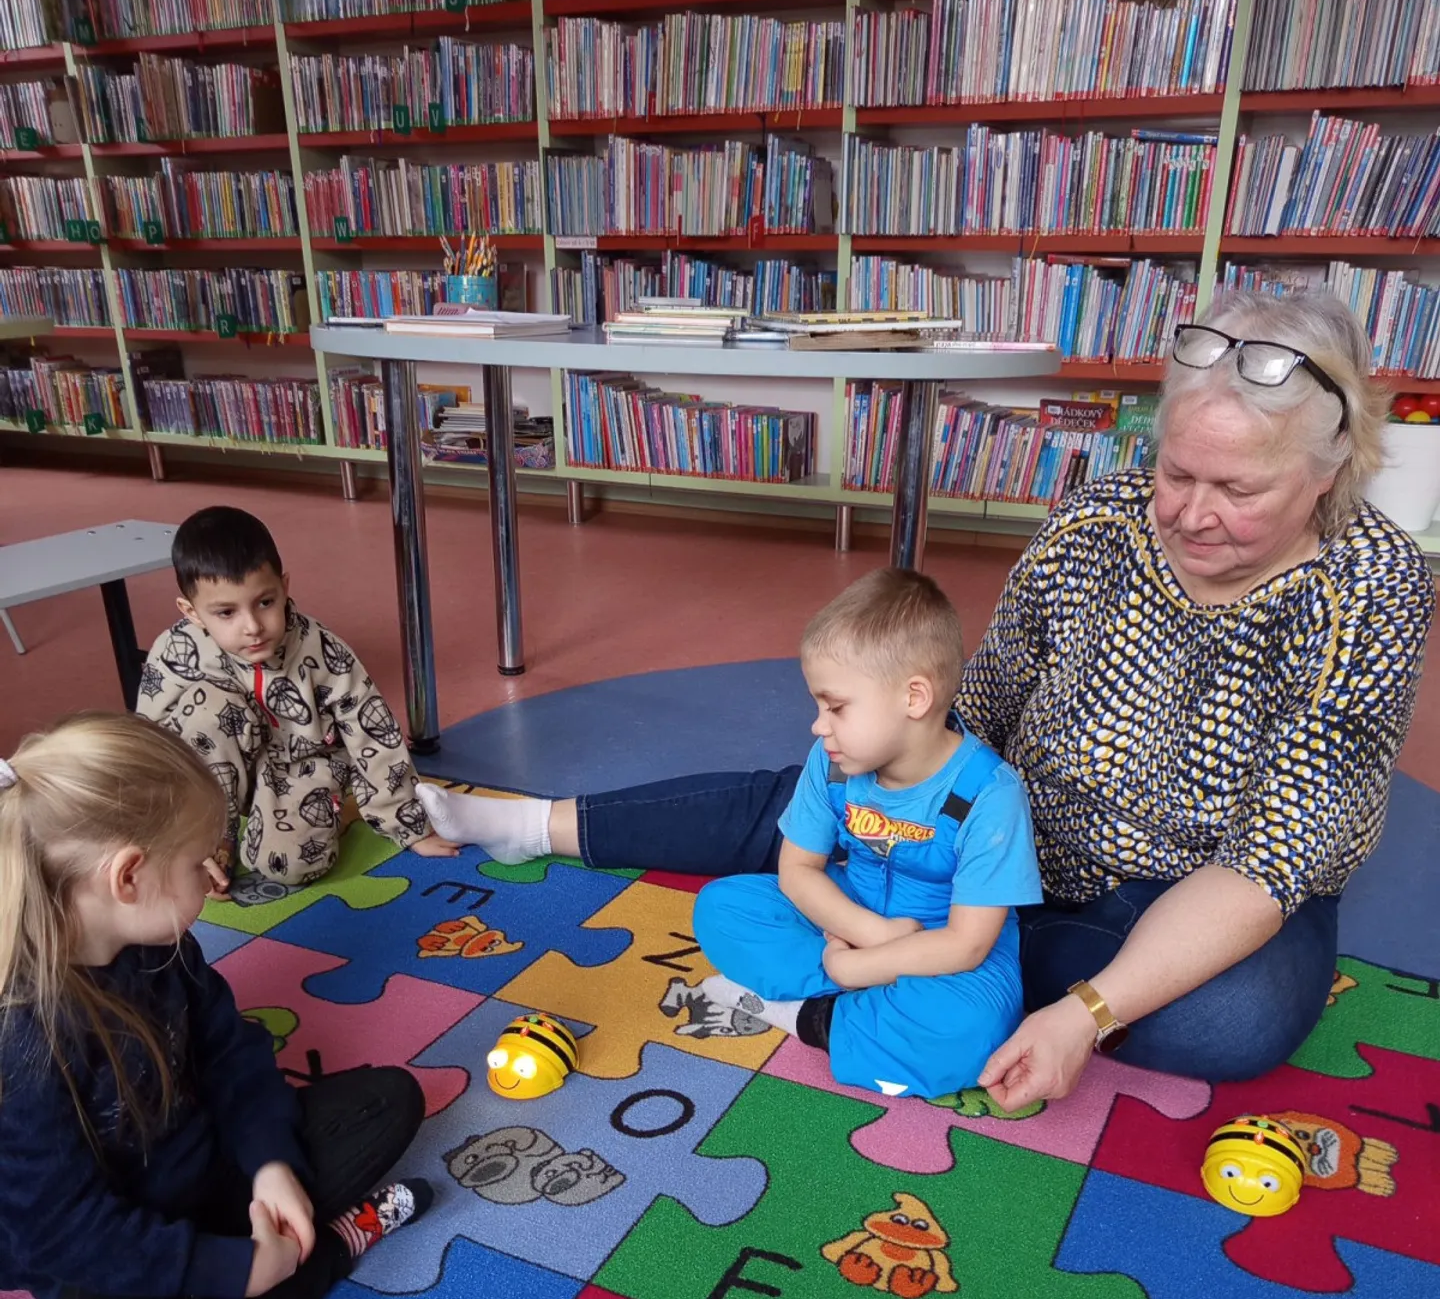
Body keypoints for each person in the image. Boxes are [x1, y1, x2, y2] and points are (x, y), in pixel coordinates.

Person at [422, 289, 1435, 1107]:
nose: (1192, 514)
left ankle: (899, 973)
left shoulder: (1374, 589)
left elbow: (1268, 865)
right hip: (995, 823)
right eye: (1177, 473)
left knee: (1236, 1020)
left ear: (1329, 470)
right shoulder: (1098, 521)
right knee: (821, 784)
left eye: (1239, 491)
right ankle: (532, 824)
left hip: (1180, 889)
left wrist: (1083, 1014)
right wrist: (901, 801)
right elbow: (979, 705)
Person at [0, 713, 433, 1299]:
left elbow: (234, 1054)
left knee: (390, 1100)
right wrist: (230, 1269)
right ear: (129, 876)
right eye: (199, 864)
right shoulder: (21, 1036)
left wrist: (270, 1165)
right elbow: (63, 1232)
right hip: (106, 1247)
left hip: (207, 1173)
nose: (214, 880)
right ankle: (327, 1251)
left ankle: (273, 1248)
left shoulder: (161, 945)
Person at [683, 568, 1040, 1099]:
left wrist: (856, 967)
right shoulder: (830, 762)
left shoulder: (990, 794)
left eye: (836, 707)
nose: (818, 725)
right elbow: (797, 870)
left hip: (947, 949)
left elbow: (967, 945)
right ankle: (858, 1013)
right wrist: (872, 936)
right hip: (854, 917)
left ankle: (802, 1015)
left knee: (969, 1031)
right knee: (722, 909)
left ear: (913, 698)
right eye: (818, 706)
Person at [136, 505, 458, 900]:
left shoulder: (323, 651)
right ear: (192, 612)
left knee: (289, 866)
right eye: (226, 612)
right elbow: (152, 743)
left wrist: (410, 827)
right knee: (208, 710)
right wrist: (174, 840)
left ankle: (316, 815)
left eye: (265, 602)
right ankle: (213, 840)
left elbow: (373, 734)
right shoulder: (176, 650)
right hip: (216, 778)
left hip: (302, 768)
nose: (252, 626)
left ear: (284, 586)